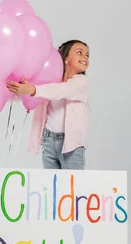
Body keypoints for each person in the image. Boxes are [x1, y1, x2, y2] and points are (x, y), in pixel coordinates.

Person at [6, 40, 90, 170]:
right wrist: (6, 90)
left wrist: (32, 89)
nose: (85, 57)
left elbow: (61, 90)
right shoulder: (49, 82)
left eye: (87, 55)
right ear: (65, 58)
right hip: (49, 140)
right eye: (80, 52)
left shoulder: (81, 83)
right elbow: (31, 95)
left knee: (73, 186)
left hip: (71, 144)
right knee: (53, 185)